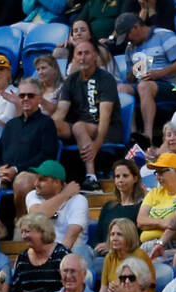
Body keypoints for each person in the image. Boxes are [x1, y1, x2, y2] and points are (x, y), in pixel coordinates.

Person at [114, 12, 176, 149]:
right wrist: (135, 72)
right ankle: (133, 134)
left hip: (170, 85)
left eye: (127, 35)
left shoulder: (164, 35)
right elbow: (129, 77)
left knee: (144, 86)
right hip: (144, 85)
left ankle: (147, 136)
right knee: (121, 89)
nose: (127, 39)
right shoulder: (130, 47)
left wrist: (160, 72)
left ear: (136, 27)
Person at [53, 40, 121, 191]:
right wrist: (47, 126)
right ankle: (51, 176)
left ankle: (91, 177)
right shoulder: (71, 80)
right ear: (74, 58)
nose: (83, 57)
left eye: (87, 53)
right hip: (81, 129)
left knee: (78, 126)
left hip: (108, 129)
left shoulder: (106, 79)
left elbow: (106, 117)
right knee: (52, 126)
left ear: (95, 56)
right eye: (79, 53)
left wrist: (97, 144)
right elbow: (60, 112)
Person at [0, 77, 58, 219]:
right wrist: (0, 169)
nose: (25, 98)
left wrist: (15, 169)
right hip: (5, 174)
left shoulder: (47, 123)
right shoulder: (11, 125)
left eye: (30, 95)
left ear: (39, 99)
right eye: (22, 95)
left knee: (22, 181)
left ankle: (20, 224)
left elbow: (47, 155)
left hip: (32, 173)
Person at [8, 213, 69, 292]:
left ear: (42, 231)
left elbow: (70, 288)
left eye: (27, 231)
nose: (23, 236)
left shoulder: (61, 254)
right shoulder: (22, 258)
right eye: (22, 232)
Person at [24, 159, 90, 263]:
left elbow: (70, 238)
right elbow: (36, 218)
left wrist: (52, 263)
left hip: (72, 257)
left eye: (42, 180)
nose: (36, 183)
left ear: (56, 182)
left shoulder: (78, 200)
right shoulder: (33, 195)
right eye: (36, 178)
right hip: (42, 256)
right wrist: (64, 194)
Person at [136, 152, 176, 254]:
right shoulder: (154, 193)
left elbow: (175, 224)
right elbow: (140, 221)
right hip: (144, 245)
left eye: (161, 172)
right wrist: (163, 222)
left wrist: (151, 223)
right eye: (156, 173)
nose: (158, 177)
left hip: (170, 244)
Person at [99, 218, 155, 292]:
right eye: (112, 234)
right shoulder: (109, 257)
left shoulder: (140, 255)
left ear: (129, 236)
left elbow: (143, 291)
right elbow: (103, 290)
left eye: (119, 234)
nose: (114, 238)